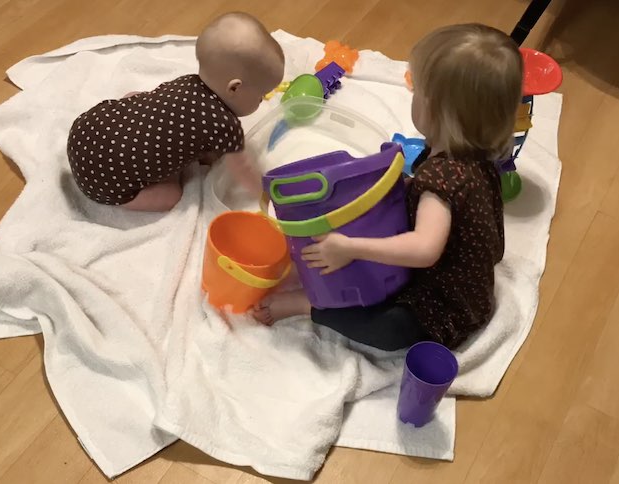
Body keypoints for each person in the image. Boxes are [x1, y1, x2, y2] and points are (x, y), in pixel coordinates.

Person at [253, 23, 523, 351]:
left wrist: (350, 247)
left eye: (417, 91)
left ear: (436, 110)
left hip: (444, 304)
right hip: (466, 280)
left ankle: (307, 306)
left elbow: (424, 250)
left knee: (388, 330)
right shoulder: (478, 157)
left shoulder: (441, 182)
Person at [66, 12, 283, 211]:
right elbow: (242, 169)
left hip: (86, 129)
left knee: (137, 97)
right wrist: (264, 193)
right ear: (234, 87)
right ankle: (131, 194)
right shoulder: (226, 126)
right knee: (171, 195)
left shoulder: (186, 82)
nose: (261, 100)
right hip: (103, 184)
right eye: (261, 94)